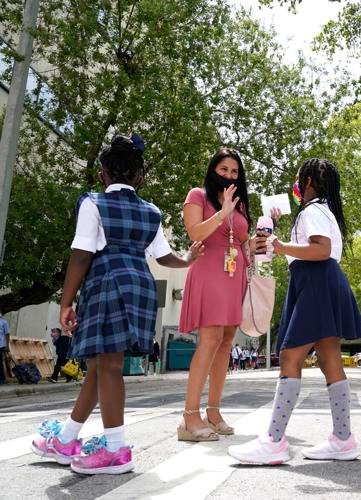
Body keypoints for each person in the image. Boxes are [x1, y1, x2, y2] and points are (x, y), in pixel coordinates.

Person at [29, 134, 203, 474]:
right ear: (140, 177)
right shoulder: (150, 212)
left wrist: (67, 302)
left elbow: (81, 254)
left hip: (107, 282)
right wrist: (188, 259)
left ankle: (115, 449)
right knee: (100, 364)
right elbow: (163, 256)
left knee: (107, 365)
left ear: (102, 174)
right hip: (139, 285)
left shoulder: (93, 203)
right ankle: (67, 438)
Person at [227, 158, 361, 464]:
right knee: (330, 360)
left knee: (291, 356)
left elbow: (321, 249)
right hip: (323, 282)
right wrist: (278, 232)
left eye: (299, 178)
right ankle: (343, 439)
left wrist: (279, 245)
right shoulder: (321, 210)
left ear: (307, 182)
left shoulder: (312, 210)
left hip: (315, 283)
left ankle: (274, 442)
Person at [179, 148, 269, 441]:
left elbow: (243, 243)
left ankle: (213, 411)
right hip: (209, 272)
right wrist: (222, 213)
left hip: (235, 274)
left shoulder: (241, 206)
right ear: (212, 171)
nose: (230, 176)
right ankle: (189, 417)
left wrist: (263, 237)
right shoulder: (197, 196)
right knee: (210, 339)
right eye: (224, 170)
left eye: (234, 171)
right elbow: (195, 233)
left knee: (227, 341)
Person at [0, 311, 9, 385]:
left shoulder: (4, 322)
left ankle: (2, 379)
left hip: (1, 345)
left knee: (0, 362)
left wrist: (7, 346)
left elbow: (7, 334)